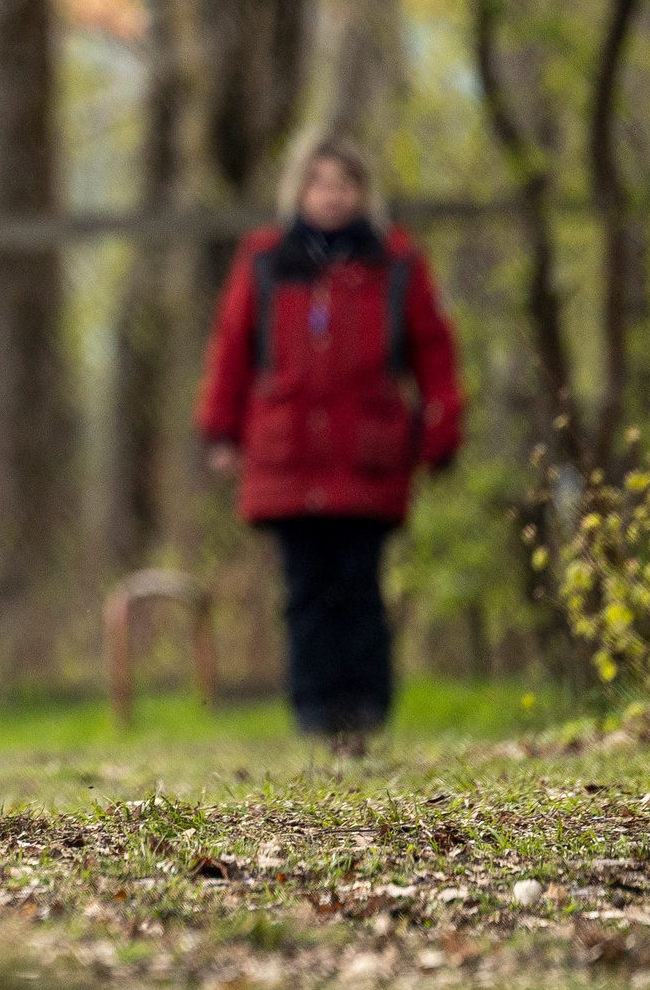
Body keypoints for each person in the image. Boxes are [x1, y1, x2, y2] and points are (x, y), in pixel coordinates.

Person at [195, 136, 463, 754]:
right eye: (319, 183)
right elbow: (231, 346)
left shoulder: (396, 263)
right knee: (305, 590)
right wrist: (221, 431)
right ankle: (314, 708)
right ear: (299, 191)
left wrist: (441, 430)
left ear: (364, 193)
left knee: (360, 585)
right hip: (286, 454)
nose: (331, 195)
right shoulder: (266, 261)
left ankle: (366, 705)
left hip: (368, 453)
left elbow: (434, 351)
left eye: (344, 184)